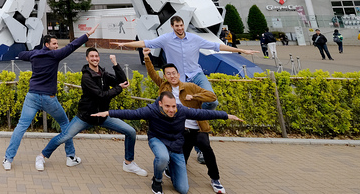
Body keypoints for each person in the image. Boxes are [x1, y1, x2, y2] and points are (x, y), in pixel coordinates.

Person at [92, 92, 242, 194]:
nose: (171, 110)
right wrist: (108, 113)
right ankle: (157, 180)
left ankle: (169, 167)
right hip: (157, 139)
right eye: (167, 106)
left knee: (183, 189)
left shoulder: (181, 110)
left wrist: (226, 115)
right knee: (162, 157)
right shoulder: (151, 110)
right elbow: (131, 113)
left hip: (176, 145)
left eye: (173, 106)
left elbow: (203, 113)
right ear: (160, 105)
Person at [36, 47, 147, 176]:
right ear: (87, 59)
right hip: (85, 117)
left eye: (96, 56)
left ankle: (129, 163)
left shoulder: (103, 74)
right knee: (65, 136)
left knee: (131, 132)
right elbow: (100, 95)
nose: (95, 58)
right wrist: (118, 88)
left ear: (99, 58)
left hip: (103, 116)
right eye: (92, 56)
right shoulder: (86, 77)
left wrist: (115, 64)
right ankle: (42, 156)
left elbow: (123, 82)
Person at [2, 27, 96, 171]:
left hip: (32, 96)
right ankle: (71, 158)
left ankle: (8, 159)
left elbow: (21, 54)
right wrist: (87, 34)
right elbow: (72, 46)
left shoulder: (34, 54)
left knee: (21, 127)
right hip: (48, 98)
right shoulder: (55, 55)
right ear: (47, 44)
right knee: (65, 124)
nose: (57, 46)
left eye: (57, 44)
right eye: (54, 44)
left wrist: (35, 51)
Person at [118, 15, 257, 108]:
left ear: (184, 25)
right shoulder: (165, 39)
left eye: (181, 25)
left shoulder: (194, 38)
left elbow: (217, 46)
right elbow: (145, 42)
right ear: (172, 26)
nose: (179, 28)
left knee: (213, 101)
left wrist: (242, 51)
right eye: (176, 26)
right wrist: (124, 44)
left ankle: (199, 115)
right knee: (182, 108)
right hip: (179, 79)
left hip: (196, 75)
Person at [143, 49, 227, 194]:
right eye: (168, 74)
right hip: (179, 130)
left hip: (197, 127)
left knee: (206, 147)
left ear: (178, 74)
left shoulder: (189, 86)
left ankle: (215, 179)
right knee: (183, 156)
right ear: (165, 76)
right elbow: (152, 74)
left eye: (174, 73)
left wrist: (194, 97)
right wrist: (146, 57)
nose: (171, 76)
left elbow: (212, 97)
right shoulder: (164, 87)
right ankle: (170, 170)